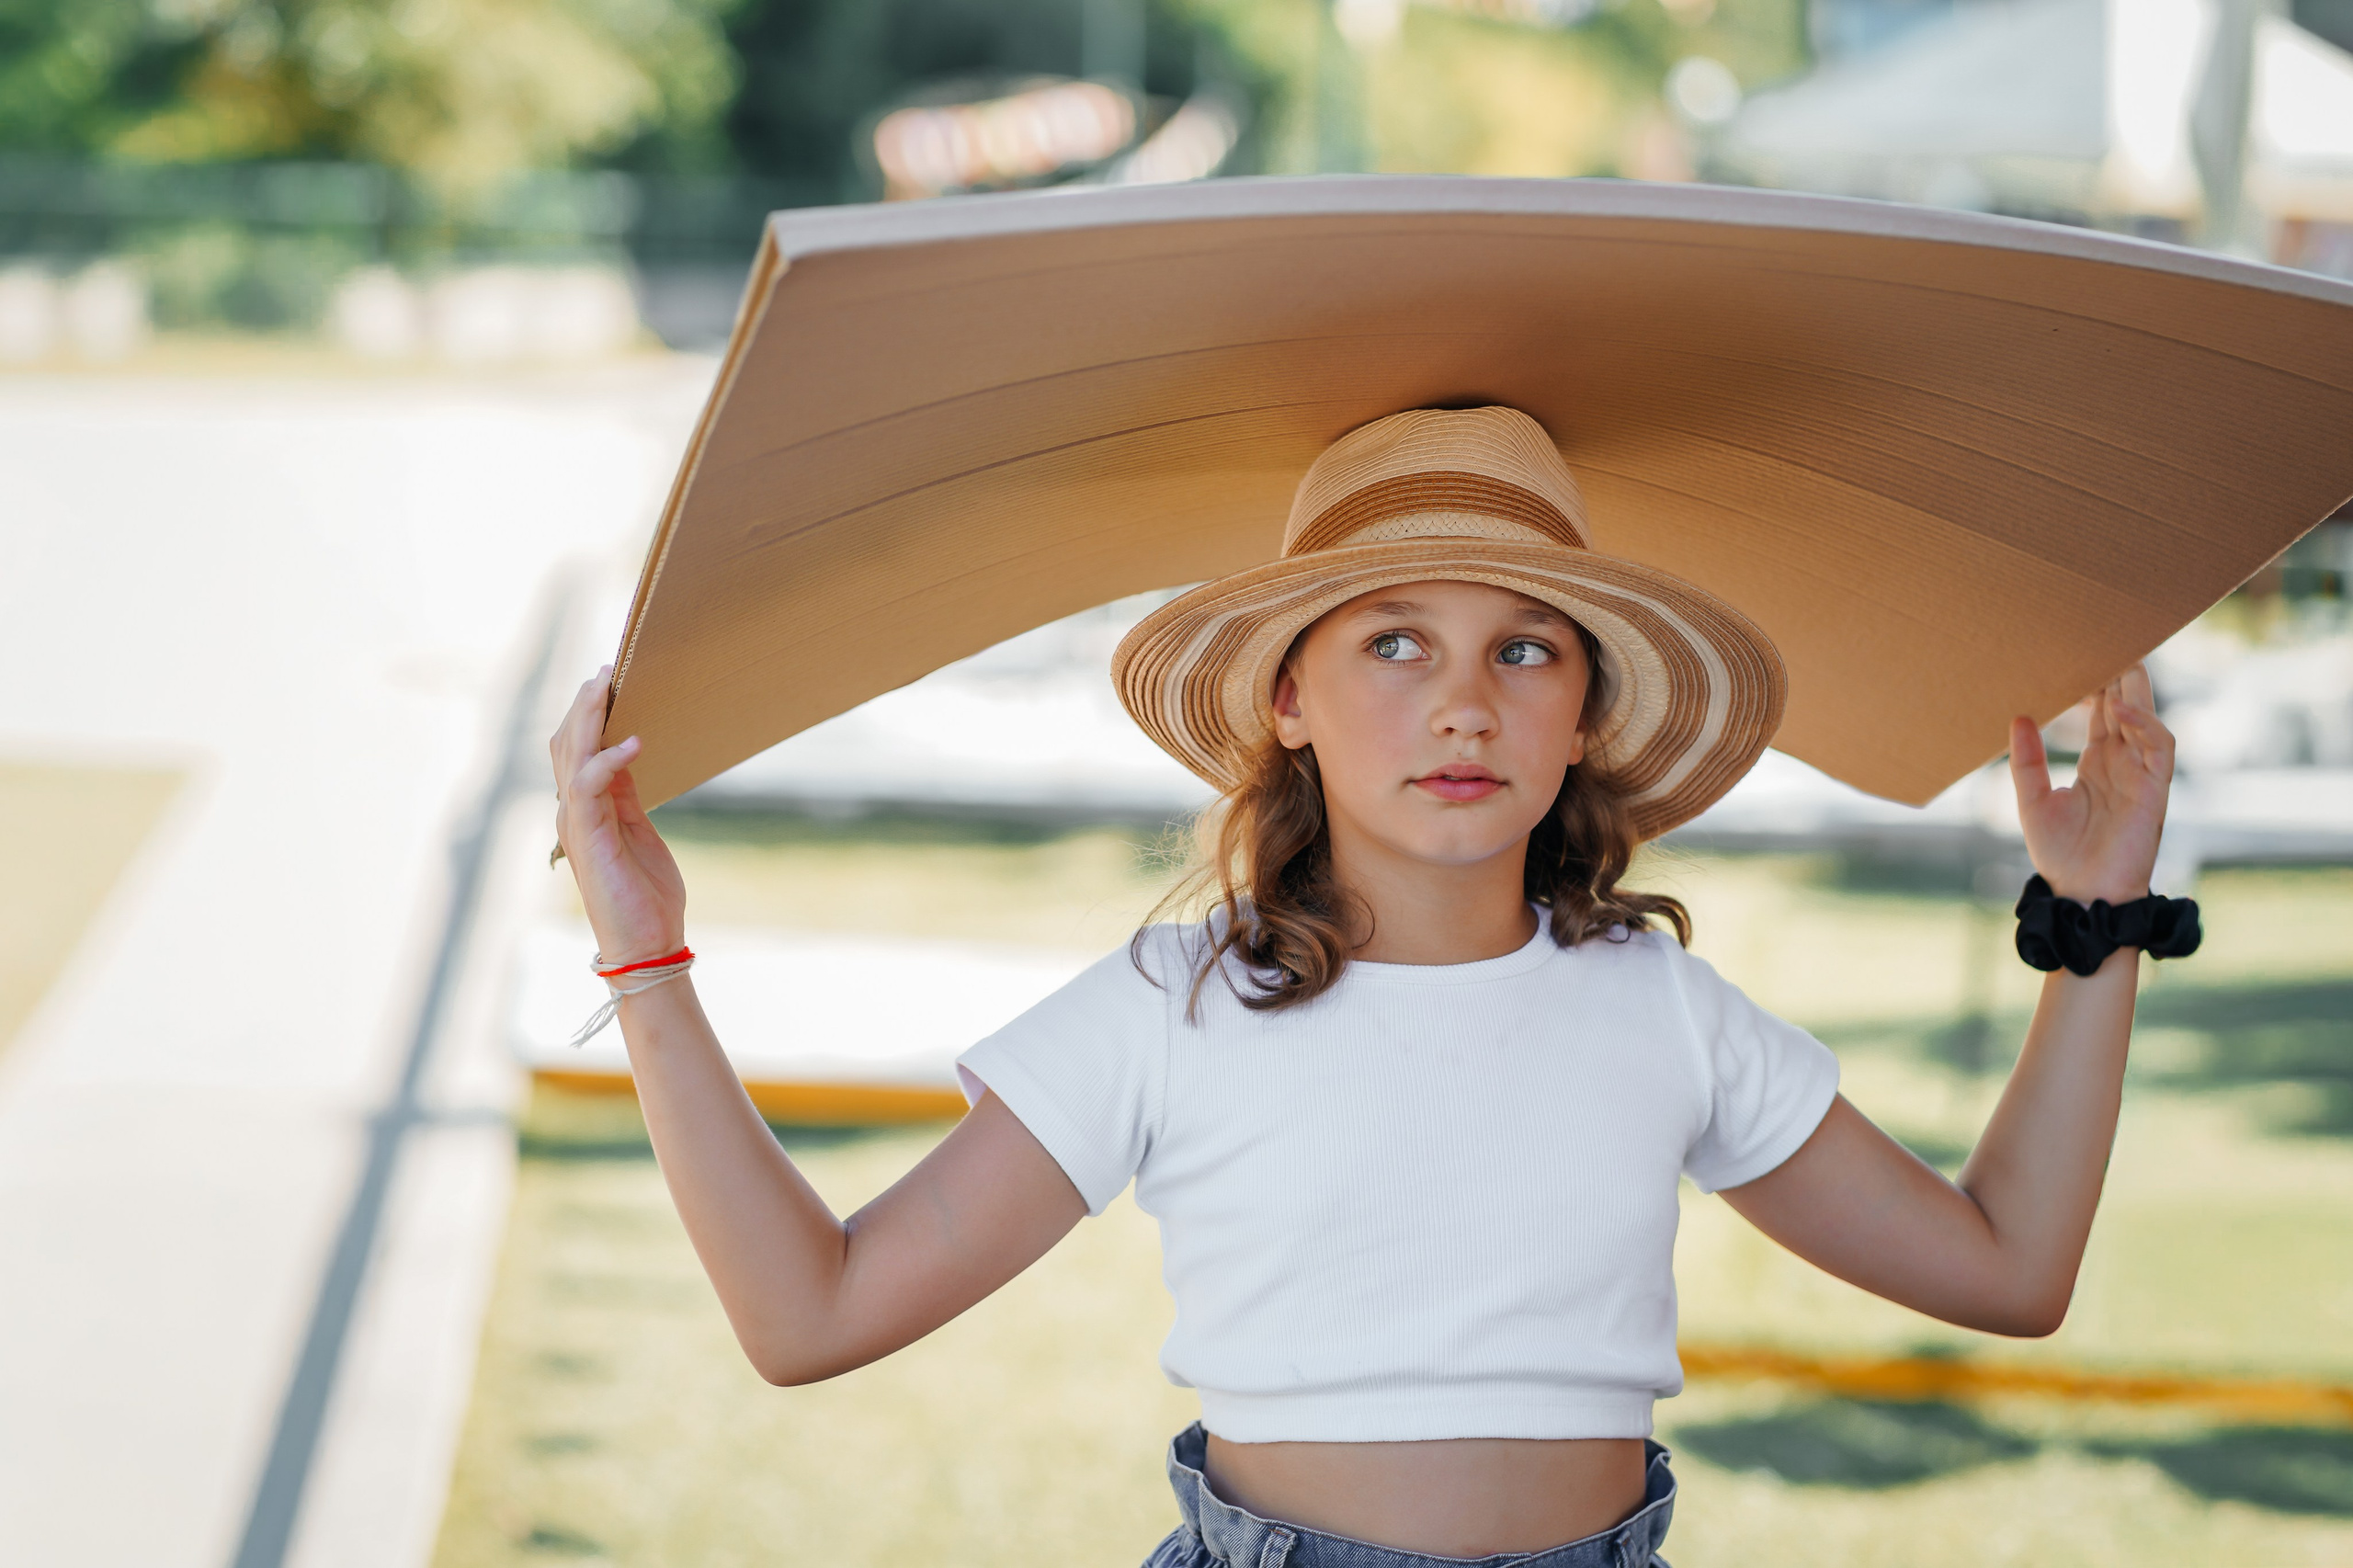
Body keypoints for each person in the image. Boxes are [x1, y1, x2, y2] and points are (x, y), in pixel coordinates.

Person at [551, 407, 2183, 1567]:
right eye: (1393, 642)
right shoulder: (1170, 1006)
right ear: (1289, 699)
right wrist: (644, 953)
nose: (1463, 703)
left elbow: (2008, 1266)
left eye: (1525, 648)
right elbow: (810, 1312)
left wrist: (2097, 914)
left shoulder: (1664, 1010)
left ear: (1585, 718)